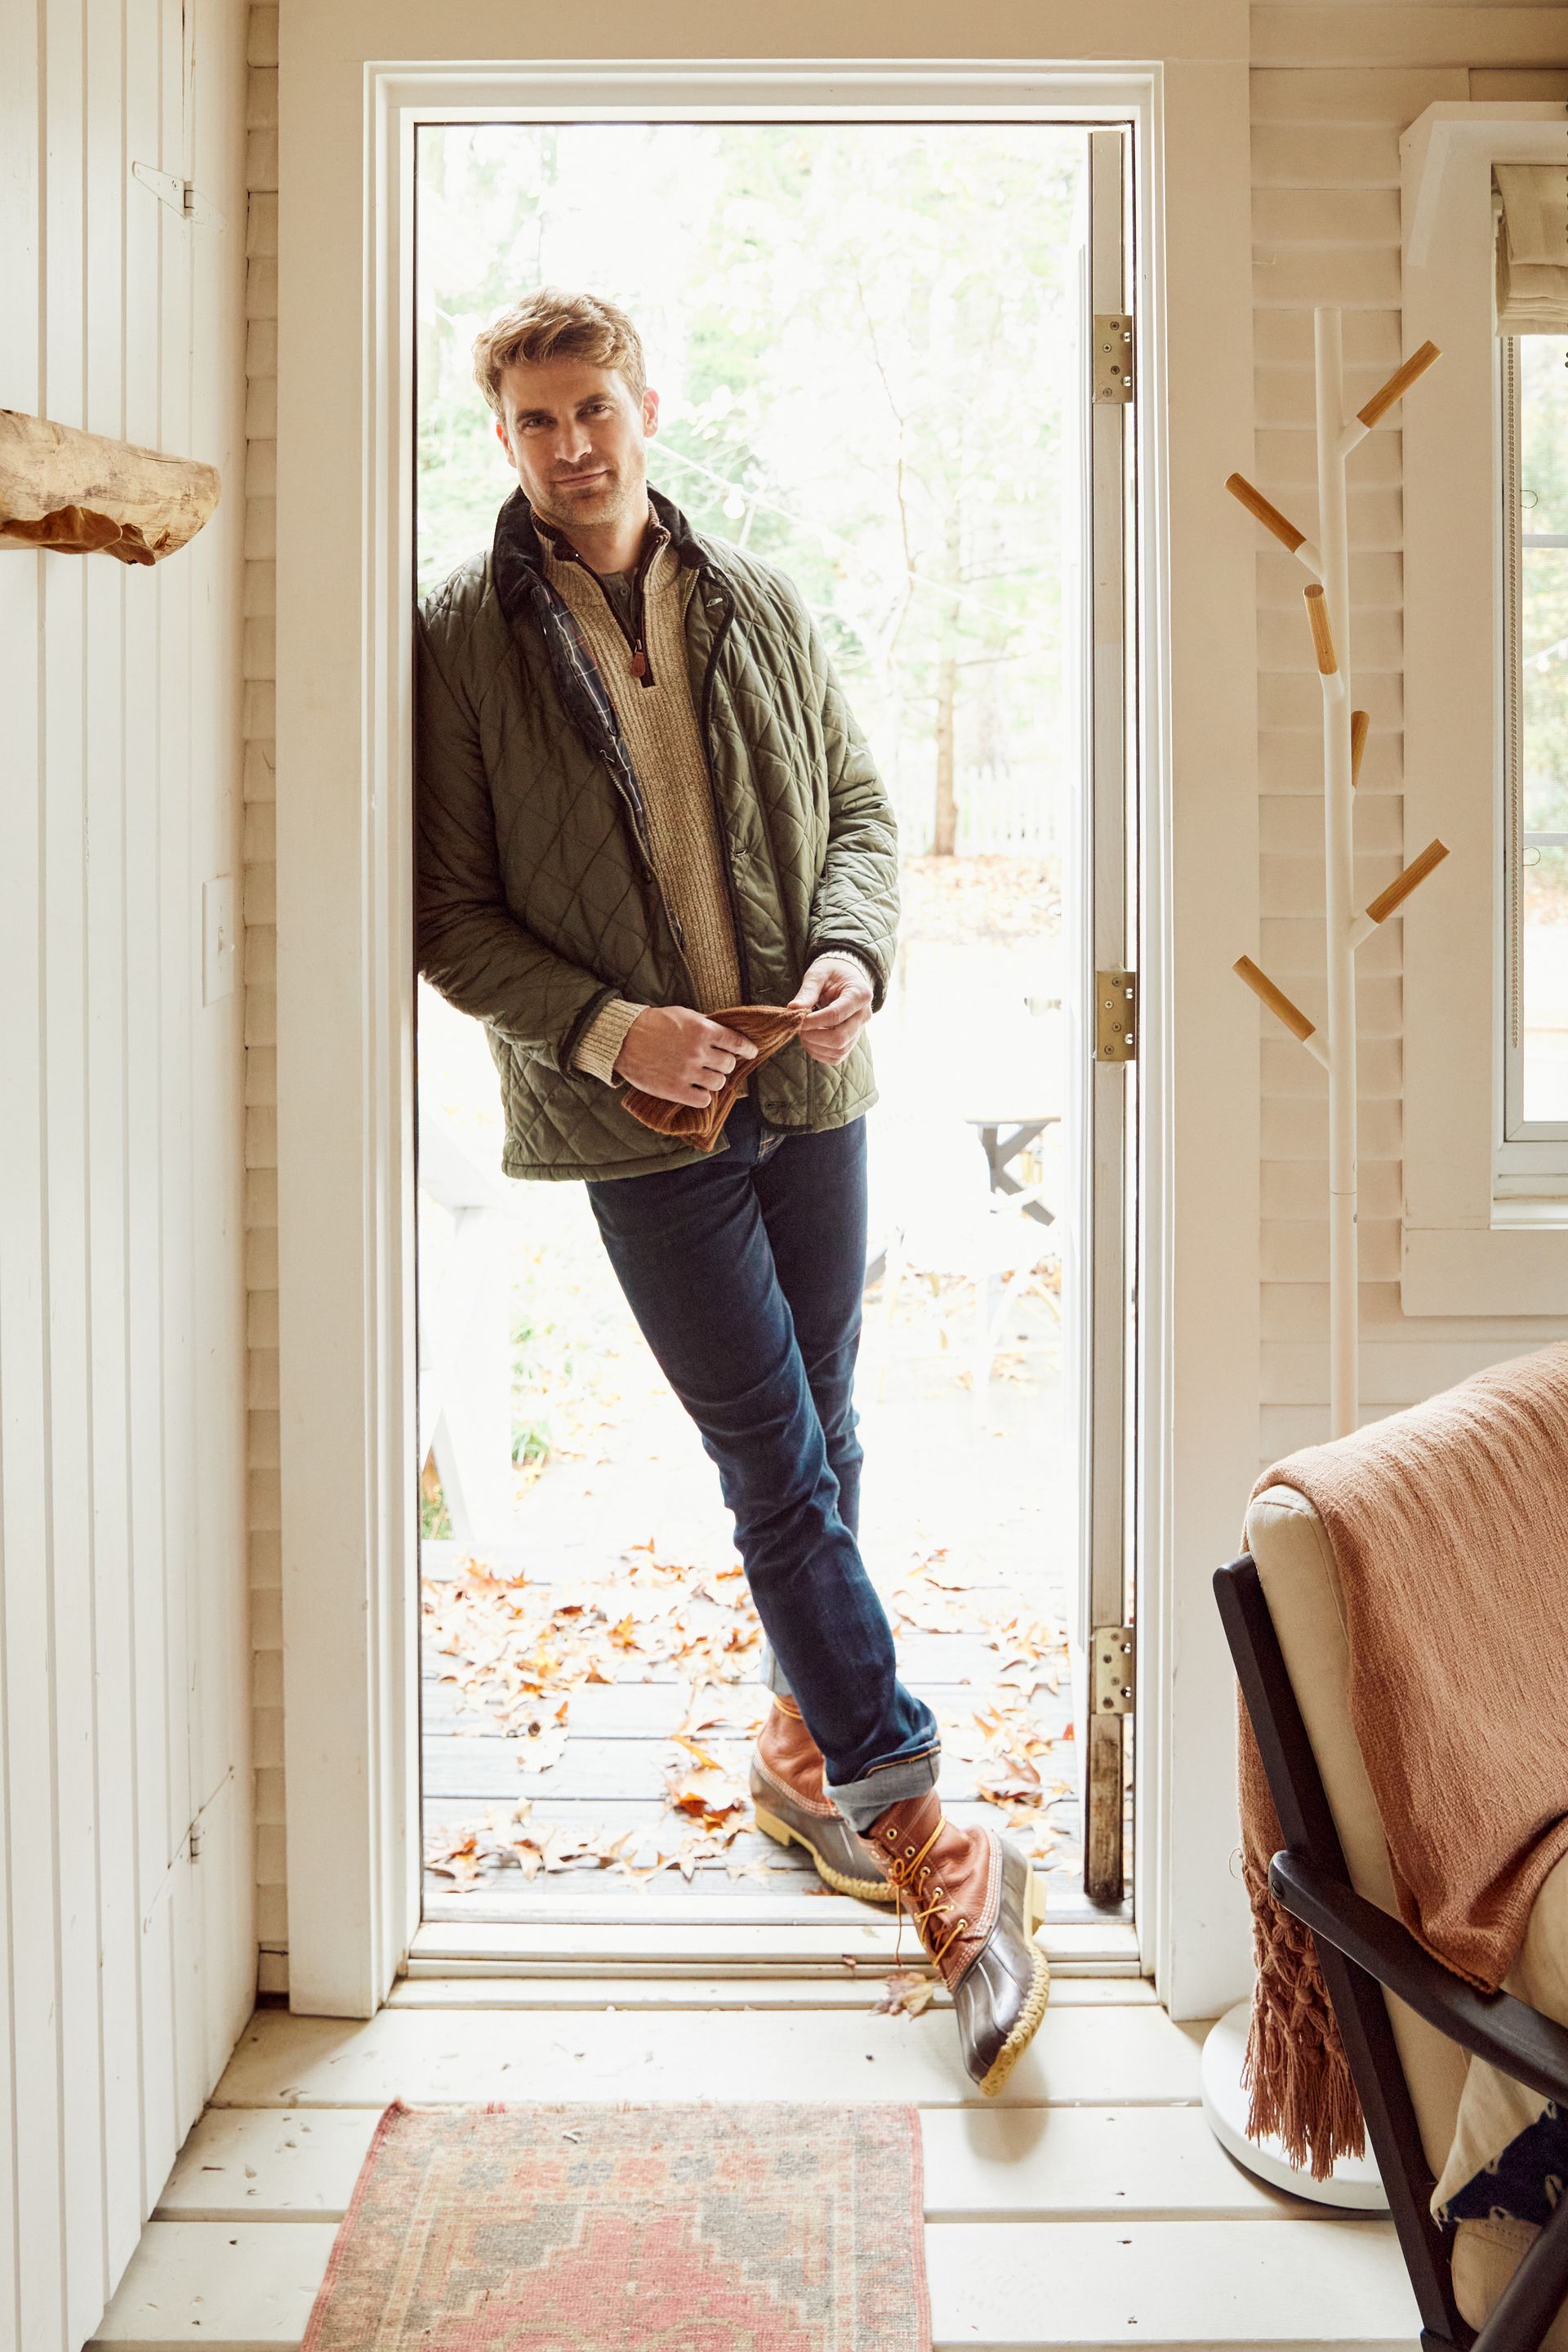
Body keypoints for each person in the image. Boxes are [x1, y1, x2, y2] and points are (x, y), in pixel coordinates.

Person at [414, 287, 1049, 2091]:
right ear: (508, 441)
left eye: (594, 408)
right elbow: (449, 916)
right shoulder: (456, 642)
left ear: (650, 405)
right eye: (535, 424)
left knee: (827, 1425)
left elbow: (857, 807)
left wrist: (852, 954)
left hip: (814, 1083)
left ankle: (796, 1754)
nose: (572, 447)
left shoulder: (754, 598)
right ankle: (917, 1811)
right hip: (645, 1130)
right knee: (772, 1453)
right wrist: (619, 1033)